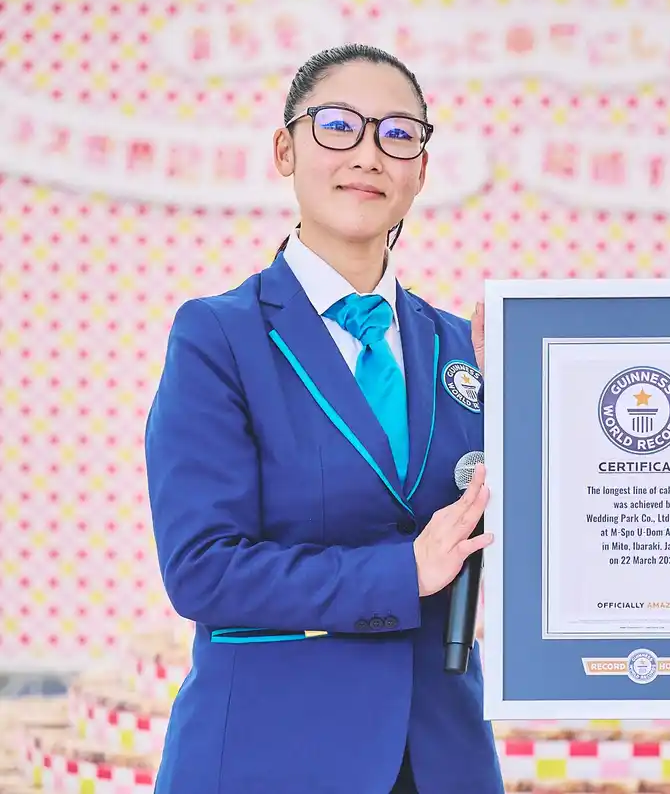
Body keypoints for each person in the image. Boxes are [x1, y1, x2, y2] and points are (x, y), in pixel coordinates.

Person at [144, 44, 502, 794]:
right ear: (286, 149)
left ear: (421, 170)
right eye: (338, 125)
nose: (369, 154)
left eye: (398, 134)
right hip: (270, 755)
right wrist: (402, 573)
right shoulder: (220, 337)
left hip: (443, 760)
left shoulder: (468, 349)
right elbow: (203, 569)